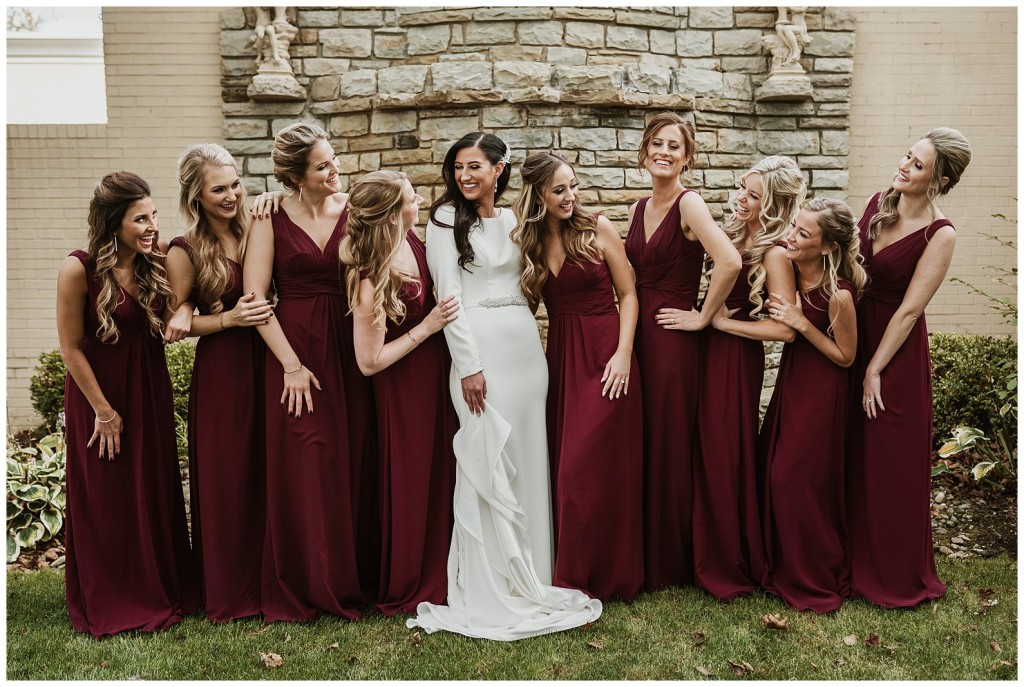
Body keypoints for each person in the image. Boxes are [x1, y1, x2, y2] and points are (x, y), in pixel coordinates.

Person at [407, 132, 601, 640]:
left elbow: (533, 282)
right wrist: (468, 366)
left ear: (500, 169)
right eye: (458, 168)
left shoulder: (518, 221)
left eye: (475, 167)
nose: (464, 177)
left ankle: (534, 572)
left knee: (528, 457)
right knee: (488, 458)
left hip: (525, 354)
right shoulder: (445, 220)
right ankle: (492, 580)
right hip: (480, 354)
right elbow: (447, 298)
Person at [56, 171, 199, 637]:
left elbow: (188, 299)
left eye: (154, 214)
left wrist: (185, 309)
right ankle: (116, 594)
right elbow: (71, 348)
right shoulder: (78, 269)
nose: (152, 225)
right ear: (113, 222)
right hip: (100, 397)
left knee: (151, 487)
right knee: (109, 494)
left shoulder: (151, 261)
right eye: (141, 218)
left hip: (148, 388)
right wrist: (103, 411)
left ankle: (160, 584)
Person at [242, 122, 373, 622]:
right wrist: (291, 366)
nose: (335, 168)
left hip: (351, 348)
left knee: (353, 457)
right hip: (294, 353)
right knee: (307, 465)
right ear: (296, 177)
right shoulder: (268, 217)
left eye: (333, 158)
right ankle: (309, 583)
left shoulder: (355, 211)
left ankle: (357, 577)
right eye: (322, 165)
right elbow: (254, 301)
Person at [847, 128, 972, 607]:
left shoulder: (942, 234)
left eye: (917, 165)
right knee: (850, 452)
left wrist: (874, 368)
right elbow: (848, 266)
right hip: (854, 334)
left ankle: (892, 572)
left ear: (938, 179)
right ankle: (848, 558)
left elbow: (909, 310)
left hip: (894, 354)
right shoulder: (880, 201)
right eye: (906, 155)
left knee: (887, 461)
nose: (904, 166)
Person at [510, 151, 643, 602]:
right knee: (566, 469)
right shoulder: (526, 243)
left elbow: (628, 294)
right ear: (538, 196)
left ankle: (606, 575)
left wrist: (624, 354)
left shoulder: (597, 227)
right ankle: (574, 571)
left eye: (573, 185)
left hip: (607, 356)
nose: (571, 196)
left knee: (588, 467)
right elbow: (519, 308)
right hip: (562, 359)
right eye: (559, 190)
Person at [625, 111, 742, 591]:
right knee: (643, 436)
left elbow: (729, 261)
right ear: (644, 152)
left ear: (688, 158)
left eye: (674, 146)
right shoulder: (637, 207)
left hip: (674, 340)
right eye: (656, 143)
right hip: (638, 334)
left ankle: (672, 559)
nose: (664, 152)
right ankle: (644, 546)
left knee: (670, 442)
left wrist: (701, 316)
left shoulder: (688, 205)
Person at [339, 170, 459, 616]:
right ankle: (413, 577)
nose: (421, 199)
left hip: (436, 376)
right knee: (412, 478)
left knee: (441, 471)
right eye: (412, 197)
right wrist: (427, 328)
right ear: (392, 214)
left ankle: (447, 568)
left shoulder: (416, 242)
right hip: (402, 387)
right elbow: (368, 362)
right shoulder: (370, 276)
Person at [686, 155, 803, 601]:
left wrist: (718, 323)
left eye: (754, 196)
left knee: (724, 451)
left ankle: (728, 557)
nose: (741, 199)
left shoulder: (774, 253)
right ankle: (698, 547)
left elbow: (784, 329)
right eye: (742, 188)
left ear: (773, 204)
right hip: (706, 353)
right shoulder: (734, 234)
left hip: (735, 359)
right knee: (703, 446)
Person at [164, 144, 271, 623]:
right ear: (196, 197)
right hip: (224, 373)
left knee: (271, 471)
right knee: (229, 478)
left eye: (235, 184)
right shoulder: (184, 250)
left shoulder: (261, 225)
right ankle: (232, 591)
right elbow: (172, 326)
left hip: (270, 360)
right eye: (219, 189)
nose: (231, 195)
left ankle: (275, 579)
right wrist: (226, 319)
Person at [759, 198, 867, 613]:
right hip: (793, 383)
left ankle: (813, 575)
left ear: (826, 248)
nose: (791, 236)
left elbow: (846, 357)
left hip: (822, 392)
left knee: (795, 480)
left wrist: (802, 322)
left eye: (803, 234)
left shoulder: (837, 295)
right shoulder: (788, 271)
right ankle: (780, 568)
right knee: (774, 471)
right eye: (794, 227)